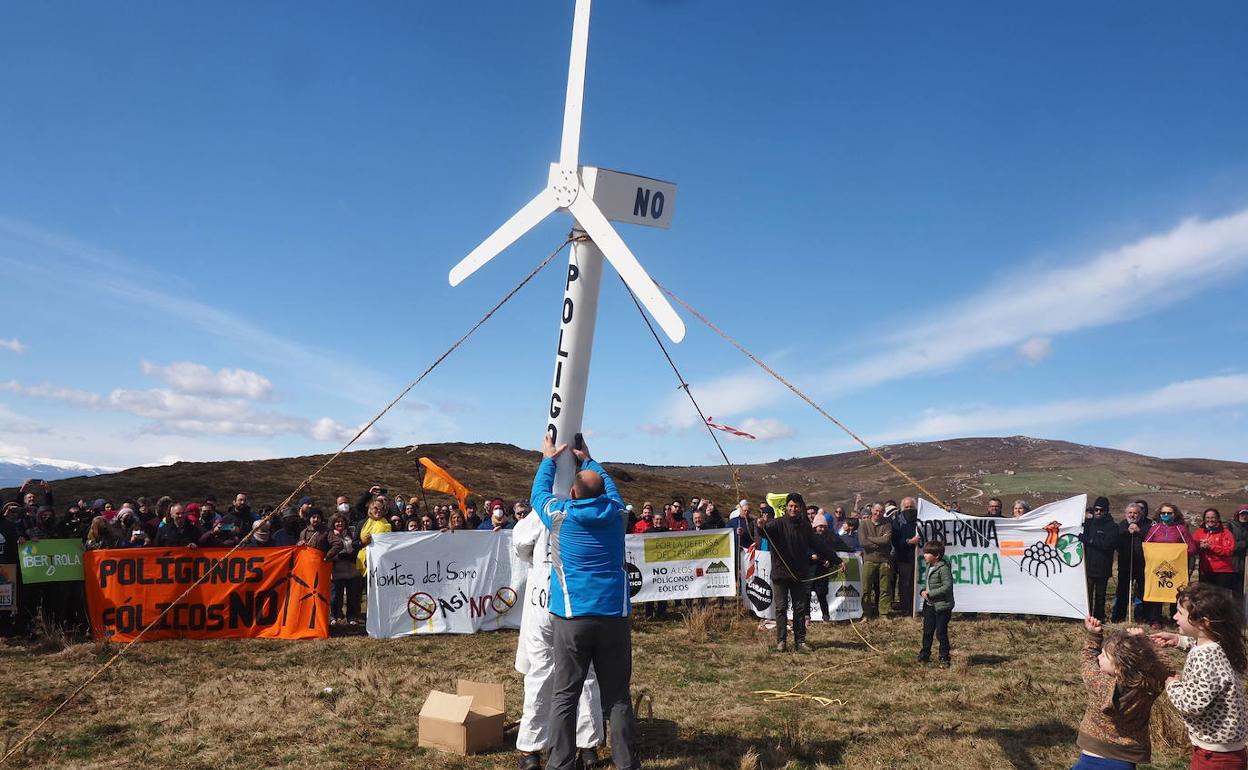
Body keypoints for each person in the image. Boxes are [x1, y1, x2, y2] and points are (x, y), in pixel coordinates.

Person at [530, 432, 637, 770]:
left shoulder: (561, 516)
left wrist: (549, 459)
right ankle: (626, 765)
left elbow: (538, 495)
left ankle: (559, 764)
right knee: (617, 696)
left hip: (572, 619)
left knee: (565, 694)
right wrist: (589, 460)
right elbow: (609, 488)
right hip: (613, 619)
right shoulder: (619, 515)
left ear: (572, 493)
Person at [512, 478, 605, 770]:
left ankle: (532, 750)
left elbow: (520, 543)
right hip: (578, 604)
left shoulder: (545, 511)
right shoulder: (599, 513)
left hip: (546, 599)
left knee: (542, 673)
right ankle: (587, 746)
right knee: (585, 673)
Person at [1150, 583, 1248, 770]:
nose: (1174, 616)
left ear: (1203, 622)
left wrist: (1172, 684)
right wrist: (1178, 640)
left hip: (1215, 757)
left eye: (1179, 612)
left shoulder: (1203, 656)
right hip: (1228, 751)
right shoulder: (1218, 643)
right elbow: (1202, 645)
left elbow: (1194, 704)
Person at [1069, 615, 1170, 770]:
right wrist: (1144, 644)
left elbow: (1087, 661)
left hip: (1091, 755)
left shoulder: (1099, 682)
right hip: (1126, 759)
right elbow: (1164, 669)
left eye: (1103, 655)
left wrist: (1094, 635)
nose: (1099, 657)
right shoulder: (1148, 686)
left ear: (1118, 666)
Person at [756, 493, 843, 652]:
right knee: (781, 608)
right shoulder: (777, 524)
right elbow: (764, 532)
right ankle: (781, 641)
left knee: (800, 608)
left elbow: (819, 546)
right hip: (780, 574)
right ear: (786, 507)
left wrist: (837, 560)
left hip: (799, 574)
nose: (793, 509)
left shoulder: (805, 527)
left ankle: (800, 641)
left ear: (800, 507)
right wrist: (760, 526)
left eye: (796, 506)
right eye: (790, 506)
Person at [1113, 502, 1155, 624]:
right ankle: (1118, 617)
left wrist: (1139, 531)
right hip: (1125, 564)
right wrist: (1127, 532)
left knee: (1142, 593)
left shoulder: (1147, 525)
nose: (1132, 515)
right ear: (1126, 514)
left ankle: (1141, 617)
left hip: (1142, 565)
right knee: (1122, 592)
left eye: (1135, 513)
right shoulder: (1122, 524)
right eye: (1130, 513)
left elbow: (1151, 540)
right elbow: (1116, 541)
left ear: (1140, 514)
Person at [917, 540, 954, 666]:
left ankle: (944, 657)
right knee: (927, 631)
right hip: (929, 606)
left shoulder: (943, 568)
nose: (925, 555)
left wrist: (931, 594)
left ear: (936, 555)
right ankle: (924, 655)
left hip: (942, 606)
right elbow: (927, 583)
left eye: (927, 553)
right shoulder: (929, 567)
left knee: (941, 633)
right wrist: (922, 590)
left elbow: (947, 586)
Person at [1081, 497, 1119, 621]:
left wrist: (1089, 540)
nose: (1098, 512)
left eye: (1101, 510)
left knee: (1100, 595)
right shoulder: (1088, 524)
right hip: (1088, 566)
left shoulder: (1112, 526)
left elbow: (1107, 544)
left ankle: (1099, 617)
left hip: (1103, 566)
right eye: (1096, 509)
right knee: (1087, 594)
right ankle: (1087, 616)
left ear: (1106, 511)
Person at [325, 513, 363, 624]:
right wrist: (337, 557)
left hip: (352, 569)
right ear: (333, 523)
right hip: (337, 570)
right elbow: (328, 552)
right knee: (336, 596)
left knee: (353, 595)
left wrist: (353, 555)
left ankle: (352, 617)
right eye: (337, 522)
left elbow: (356, 546)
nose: (340, 523)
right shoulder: (330, 535)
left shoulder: (351, 533)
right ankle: (334, 616)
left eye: (342, 521)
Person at [859, 503, 893, 618]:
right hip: (869, 560)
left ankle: (883, 613)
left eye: (881, 511)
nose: (878, 513)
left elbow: (887, 541)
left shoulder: (887, 524)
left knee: (885, 588)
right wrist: (879, 542)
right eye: (876, 511)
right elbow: (863, 542)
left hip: (884, 560)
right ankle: (866, 613)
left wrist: (871, 539)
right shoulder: (864, 524)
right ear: (872, 510)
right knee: (866, 588)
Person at [1191, 509, 1237, 592]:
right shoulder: (1199, 532)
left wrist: (1211, 547)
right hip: (1205, 570)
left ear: (1218, 519)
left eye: (1213, 517)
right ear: (1204, 519)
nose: (1210, 520)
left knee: (1221, 598)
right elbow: (1192, 549)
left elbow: (1229, 551)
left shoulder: (1226, 533)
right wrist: (1199, 546)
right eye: (1207, 518)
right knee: (1205, 598)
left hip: (1223, 571)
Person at [891, 496, 921, 616]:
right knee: (905, 583)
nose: (909, 509)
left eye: (911, 507)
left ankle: (918, 606)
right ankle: (906, 608)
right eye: (907, 507)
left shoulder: (920, 520)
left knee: (919, 582)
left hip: (920, 557)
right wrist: (909, 541)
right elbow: (895, 541)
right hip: (904, 557)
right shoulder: (897, 521)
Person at [356, 500, 393, 576]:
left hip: (383, 560)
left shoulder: (389, 523)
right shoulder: (362, 523)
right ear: (370, 510)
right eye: (375, 508)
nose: (378, 511)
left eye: (381, 509)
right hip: (365, 560)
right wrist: (363, 542)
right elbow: (354, 543)